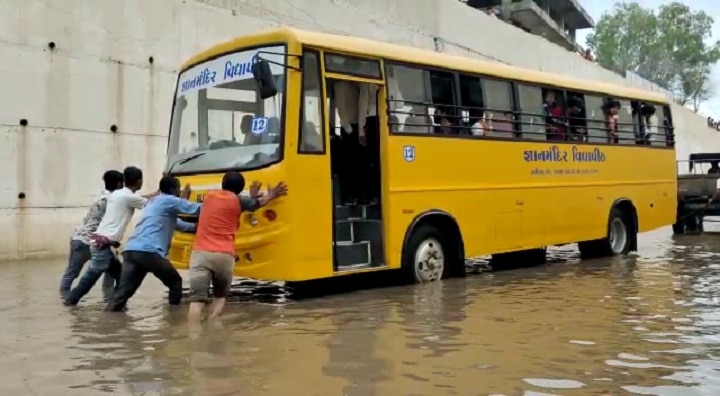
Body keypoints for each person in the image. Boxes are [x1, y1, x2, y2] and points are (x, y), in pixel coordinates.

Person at [188, 171, 288, 322]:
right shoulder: (238, 201)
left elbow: (243, 203)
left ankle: (194, 338)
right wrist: (272, 194)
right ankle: (212, 328)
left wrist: (253, 197)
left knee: (196, 301)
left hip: (201, 254)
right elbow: (256, 204)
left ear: (223, 183)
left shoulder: (209, 197)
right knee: (219, 298)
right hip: (224, 256)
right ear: (241, 189)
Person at [64, 166, 158, 306]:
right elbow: (154, 205)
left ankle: (115, 305)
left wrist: (156, 193)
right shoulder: (128, 197)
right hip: (103, 245)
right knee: (91, 277)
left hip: (101, 243)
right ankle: (72, 301)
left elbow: (138, 198)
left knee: (121, 276)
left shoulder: (117, 195)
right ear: (139, 181)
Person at [105, 176, 200, 312]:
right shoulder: (170, 200)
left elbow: (182, 225)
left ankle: (108, 321)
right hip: (149, 251)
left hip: (131, 250)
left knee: (123, 293)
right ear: (174, 189)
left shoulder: (154, 202)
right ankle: (173, 320)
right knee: (175, 282)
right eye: (178, 188)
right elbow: (198, 209)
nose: (180, 191)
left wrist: (197, 226)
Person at [60, 170, 124, 299]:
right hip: (97, 241)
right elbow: (134, 201)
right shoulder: (114, 200)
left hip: (79, 238)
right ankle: (111, 301)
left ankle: (66, 301)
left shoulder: (101, 197)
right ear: (119, 184)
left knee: (71, 273)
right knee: (114, 274)